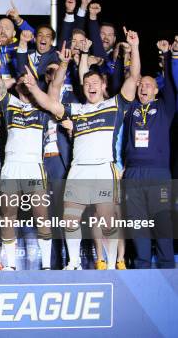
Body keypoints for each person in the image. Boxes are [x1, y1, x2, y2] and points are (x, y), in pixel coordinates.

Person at [24, 28, 140, 270]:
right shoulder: (76, 110)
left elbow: (133, 79)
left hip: (102, 169)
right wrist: (34, 89)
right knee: (70, 218)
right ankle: (74, 262)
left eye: (95, 82)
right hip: (78, 170)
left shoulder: (113, 106)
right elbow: (51, 105)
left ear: (103, 84)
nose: (91, 86)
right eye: (87, 83)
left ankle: (108, 265)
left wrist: (135, 48)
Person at [0, 30, 54, 271]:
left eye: (29, 81)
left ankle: (46, 266)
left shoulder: (43, 106)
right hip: (11, 165)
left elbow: (53, 87)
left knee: (42, 215)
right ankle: (10, 265)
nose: (25, 85)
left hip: (34, 165)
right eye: (22, 81)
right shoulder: (9, 103)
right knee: (8, 216)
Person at [122, 38, 176, 269]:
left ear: (156, 90)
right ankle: (142, 268)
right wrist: (131, 51)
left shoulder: (166, 107)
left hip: (158, 174)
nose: (143, 87)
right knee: (137, 224)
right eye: (141, 84)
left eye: (148, 85)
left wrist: (168, 56)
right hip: (133, 173)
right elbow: (127, 80)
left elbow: (173, 85)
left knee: (162, 222)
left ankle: (167, 269)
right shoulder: (130, 108)